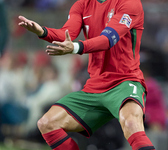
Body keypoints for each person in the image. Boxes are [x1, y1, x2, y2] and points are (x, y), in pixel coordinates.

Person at [18, 0, 155, 149]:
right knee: (47, 123)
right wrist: (43, 32)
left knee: (131, 124)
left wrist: (76, 47)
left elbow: (108, 39)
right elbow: (67, 34)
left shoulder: (129, 3)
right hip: (94, 86)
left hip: (124, 82)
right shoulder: (82, 5)